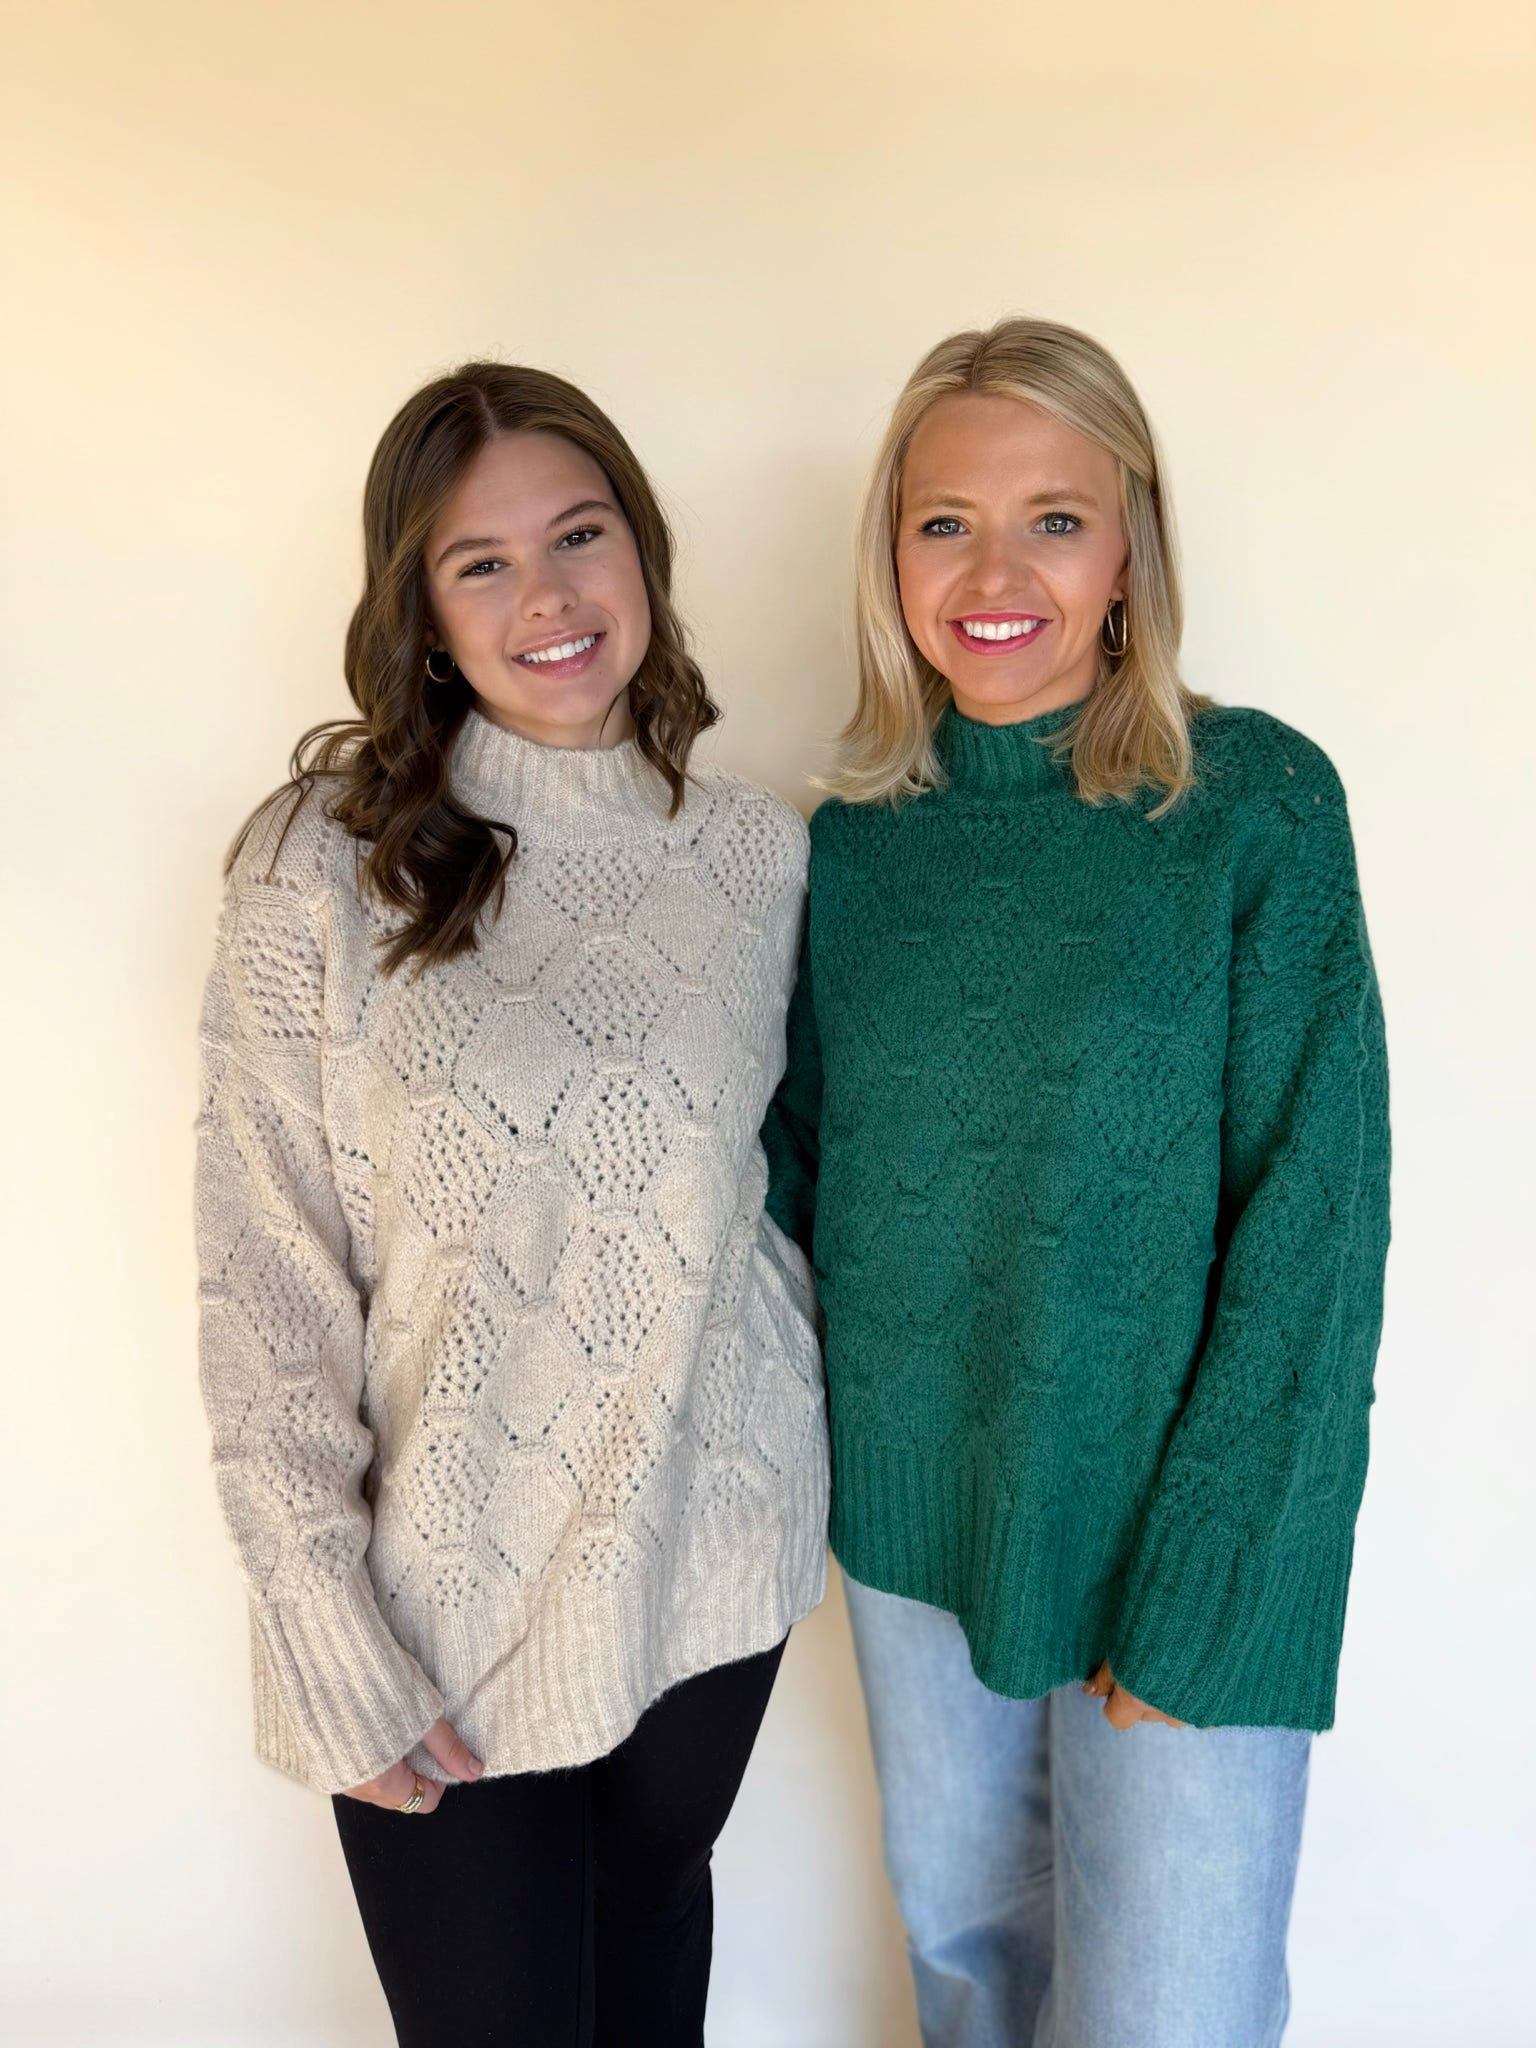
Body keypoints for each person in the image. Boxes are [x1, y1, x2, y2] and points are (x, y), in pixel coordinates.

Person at [763, 317, 1390, 2047]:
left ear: (1131, 551)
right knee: (971, 1977)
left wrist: (1206, 1584)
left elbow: (1315, 1231)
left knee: (1169, 2017)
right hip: (916, 1531)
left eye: (1055, 516)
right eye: (944, 518)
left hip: (1181, 1538)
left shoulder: (1252, 804)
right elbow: (792, 1177)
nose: (994, 570)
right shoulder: (854, 844)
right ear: (890, 553)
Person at [194, 361, 829, 2047]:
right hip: (439, 1616)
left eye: (580, 534)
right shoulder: (315, 861)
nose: (547, 596)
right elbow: (267, 1282)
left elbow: (775, 1197)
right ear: (419, 609)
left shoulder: (758, 857)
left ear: (644, 553)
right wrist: (323, 1624)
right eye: (480, 563)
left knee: (649, 2012)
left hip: (710, 1571)